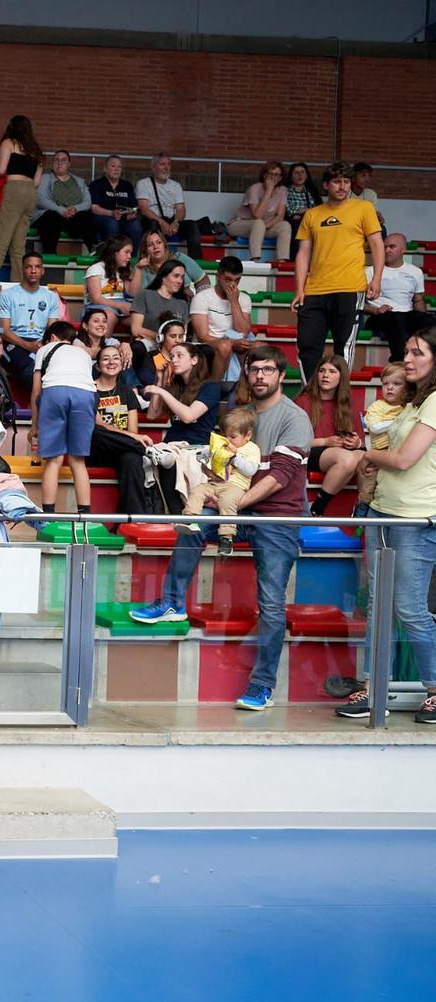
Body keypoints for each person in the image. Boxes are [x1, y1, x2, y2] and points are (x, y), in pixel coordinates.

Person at [130, 346, 314, 714]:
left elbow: (278, 478)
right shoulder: (238, 415)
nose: (260, 376)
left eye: (268, 370)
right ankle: (172, 603)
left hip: (277, 518)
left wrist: (229, 505)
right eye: (254, 369)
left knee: (272, 606)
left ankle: (262, 686)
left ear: (281, 375)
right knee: (192, 521)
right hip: (240, 507)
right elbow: (225, 465)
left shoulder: (295, 418)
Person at [339, 328, 436, 723]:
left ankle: (434, 688)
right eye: (407, 351)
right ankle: (373, 685)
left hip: (415, 518)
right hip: (382, 512)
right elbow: (390, 453)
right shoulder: (415, 401)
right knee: (377, 606)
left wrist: (368, 455)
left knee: (410, 608)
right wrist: (375, 457)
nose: (408, 358)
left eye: (418, 353)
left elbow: (404, 459)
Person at [292, 162, 385, 380]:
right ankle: (311, 396)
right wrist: (299, 290)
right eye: (336, 182)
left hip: (350, 287)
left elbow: (377, 244)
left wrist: (377, 279)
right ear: (326, 185)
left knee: (344, 349)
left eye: (346, 181)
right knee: (307, 346)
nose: (342, 186)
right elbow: (303, 254)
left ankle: (338, 398)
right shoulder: (312, 215)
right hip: (315, 290)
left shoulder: (363, 208)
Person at [28, 322, 96, 513]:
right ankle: (84, 516)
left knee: (54, 459)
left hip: (55, 391)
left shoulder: (45, 349)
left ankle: (48, 515)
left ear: (52, 338)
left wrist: (35, 426)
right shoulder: (83, 353)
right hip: (85, 394)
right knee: (78, 460)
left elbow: (36, 391)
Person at [179, 407, 262, 554]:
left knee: (227, 501)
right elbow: (208, 462)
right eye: (225, 436)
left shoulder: (251, 449)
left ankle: (226, 537)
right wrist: (205, 460)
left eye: (233, 437)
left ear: (248, 435)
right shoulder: (223, 445)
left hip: (235, 487)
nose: (227, 440)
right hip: (215, 483)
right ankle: (190, 519)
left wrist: (234, 457)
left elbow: (251, 469)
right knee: (197, 490)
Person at [88, 342, 155, 514]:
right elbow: (98, 423)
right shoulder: (89, 389)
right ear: (98, 365)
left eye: (116, 358)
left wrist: (134, 438)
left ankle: (134, 518)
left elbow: (133, 431)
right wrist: (135, 439)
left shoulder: (127, 392)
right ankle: (146, 451)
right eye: (106, 359)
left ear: (122, 363)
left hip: (122, 449)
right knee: (95, 431)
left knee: (132, 460)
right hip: (98, 449)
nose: (111, 362)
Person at [299, 355, 364, 516]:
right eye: (322, 371)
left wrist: (356, 443)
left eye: (332, 371)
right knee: (347, 458)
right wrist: (326, 441)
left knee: (364, 457)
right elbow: (295, 442)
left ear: (341, 377)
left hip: (339, 454)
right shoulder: (303, 401)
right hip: (310, 452)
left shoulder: (348, 404)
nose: (325, 375)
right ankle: (318, 507)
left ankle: (363, 506)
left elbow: (361, 442)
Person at [0, 115, 43, 286]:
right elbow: (37, 182)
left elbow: (1, 169)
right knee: (19, 247)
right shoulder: (36, 150)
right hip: (30, 193)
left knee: (1, 242)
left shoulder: (8, 143)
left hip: (13, 189)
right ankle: (19, 286)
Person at [0, 251, 64, 389]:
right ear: (22, 269)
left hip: (42, 342)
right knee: (30, 370)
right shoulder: (8, 295)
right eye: (29, 267)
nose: (33, 270)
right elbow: (4, 331)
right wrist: (28, 346)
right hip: (15, 342)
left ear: (43, 270)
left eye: (37, 267)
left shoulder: (50, 297)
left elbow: (53, 329)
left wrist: (44, 345)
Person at [354, 363, 410, 517]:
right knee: (369, 486)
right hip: (380, 453)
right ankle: (361, 510)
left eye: (397, 384)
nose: (390, 388)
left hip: (399, 452)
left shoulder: (408, 407)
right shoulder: (377, 406)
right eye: (385, 384)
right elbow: (375, 427)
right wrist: (400, 420)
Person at [189, 257, 257, 384]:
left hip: (237, 340)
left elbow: (243, 332)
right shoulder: (201, 298)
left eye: (237, 280)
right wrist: (232, 343)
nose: (232, 285)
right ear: (218, 276)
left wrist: (234, 302)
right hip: (212, 343)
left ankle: (248, 389)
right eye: (228, 279)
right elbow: (202, 337)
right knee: (224, 346)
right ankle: (213, 388)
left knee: (261, 347)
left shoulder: (244, 299)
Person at [364, 234, 431, 363]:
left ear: (403, 250)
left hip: (406, 315)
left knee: (429, 321)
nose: (387, 250)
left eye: (392, 247)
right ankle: (399, 362)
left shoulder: (415, 271)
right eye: (385, 247)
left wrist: (422, 318)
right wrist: (375, 310)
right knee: (395, 320)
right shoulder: (370, 271)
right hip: (380, 316)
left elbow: (418, 300)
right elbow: (357, 302)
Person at [128, 260, 194, 381]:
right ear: (163, 277)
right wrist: (162, 338)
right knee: (137, 347)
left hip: (173, 344)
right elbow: (136, 329)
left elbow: (183, 333)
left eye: (182, 277)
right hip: (149, 342)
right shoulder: (145, 295)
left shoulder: (182, 303)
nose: (180, 281)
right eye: (176, 276)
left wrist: (170, 340)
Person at [135, 154, 202, 260]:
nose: (167, 167)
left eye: (169, 164)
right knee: (153, 224)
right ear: (153, 167)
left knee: (192, 225)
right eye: (162, 164)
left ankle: (195, 262)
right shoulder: (143, 184)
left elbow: (181, 208)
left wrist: (176, 223)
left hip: (171, 221)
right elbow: (143, 208)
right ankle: (152, 260)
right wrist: (162, 222)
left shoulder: (176, 185)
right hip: (152, 220)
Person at [34, 149, 96, 253]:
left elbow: (87, 202)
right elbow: (40, 199)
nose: (59, 163)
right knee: (51, 216)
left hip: (72, 216)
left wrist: (75, 209)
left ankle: (93, 250)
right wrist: (61, 210)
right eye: (56, 160)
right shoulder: (45, 178)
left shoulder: (79, 181)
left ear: (69, 164)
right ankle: (50, 253)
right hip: (53, 215)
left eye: (63, 160)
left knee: (88, 217)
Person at [231, 161, 291, 263]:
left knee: (285, 225)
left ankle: (281, 261)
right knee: (258, 223)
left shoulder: (283, 190)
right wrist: (268, 191)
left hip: (265, 226)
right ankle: (256, 260)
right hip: (241, 224)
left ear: (280, 178)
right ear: (264, 175)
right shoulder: (255, 188)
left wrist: (265, 227)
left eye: (276, 175)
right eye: (270, 174)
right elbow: (257, 215)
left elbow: (280, 216)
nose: (272, 177)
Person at [84, 236, 136, 336]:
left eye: (131, 253)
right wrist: (120, 306)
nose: (129, 256)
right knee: (108, 316)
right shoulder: (96, 268)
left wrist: (137, 271)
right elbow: (96, 298)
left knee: (139, 319)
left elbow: (131, 294)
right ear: (115, 252)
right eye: (126, 252)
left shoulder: (122, 270)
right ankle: (102, 348)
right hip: (99, 307)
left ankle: (133, 348)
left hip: (120, 308)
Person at [88, 155, 143, 248]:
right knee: (112, 225)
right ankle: (112, 256)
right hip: (104, 217)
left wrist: (132, 212)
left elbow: (134, 206)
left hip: (124, 218)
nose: (116, 169)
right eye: (113, 166)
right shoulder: (96, 185)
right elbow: (94, 208)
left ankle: (134, 258)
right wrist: (111, 213)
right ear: (105, 169)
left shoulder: (127, 185)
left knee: (136, 227)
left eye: (119, 167)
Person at [283, 162, 322, 231]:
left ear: (306, 176)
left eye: (302, 172)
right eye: (296, 172)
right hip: (293, 225)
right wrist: (300, 212)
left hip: (313, 222)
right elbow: (286, 213)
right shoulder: (285, 191)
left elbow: (320, 208)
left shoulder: (313, 192)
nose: (300, 175)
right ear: (291, 177)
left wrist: (305, 211)